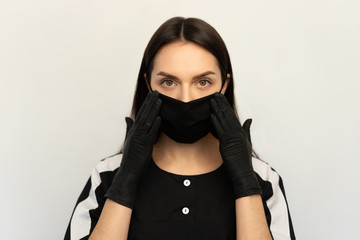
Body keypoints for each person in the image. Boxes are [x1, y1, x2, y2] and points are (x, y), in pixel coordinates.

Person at [64, 16, 295, 240]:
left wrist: (245, 181)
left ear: (224, 85)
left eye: (203, 82)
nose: (185, 98)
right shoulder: (107, 174)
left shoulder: (262, 178)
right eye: (168, 82)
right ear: (148, 83)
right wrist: (126, 178)